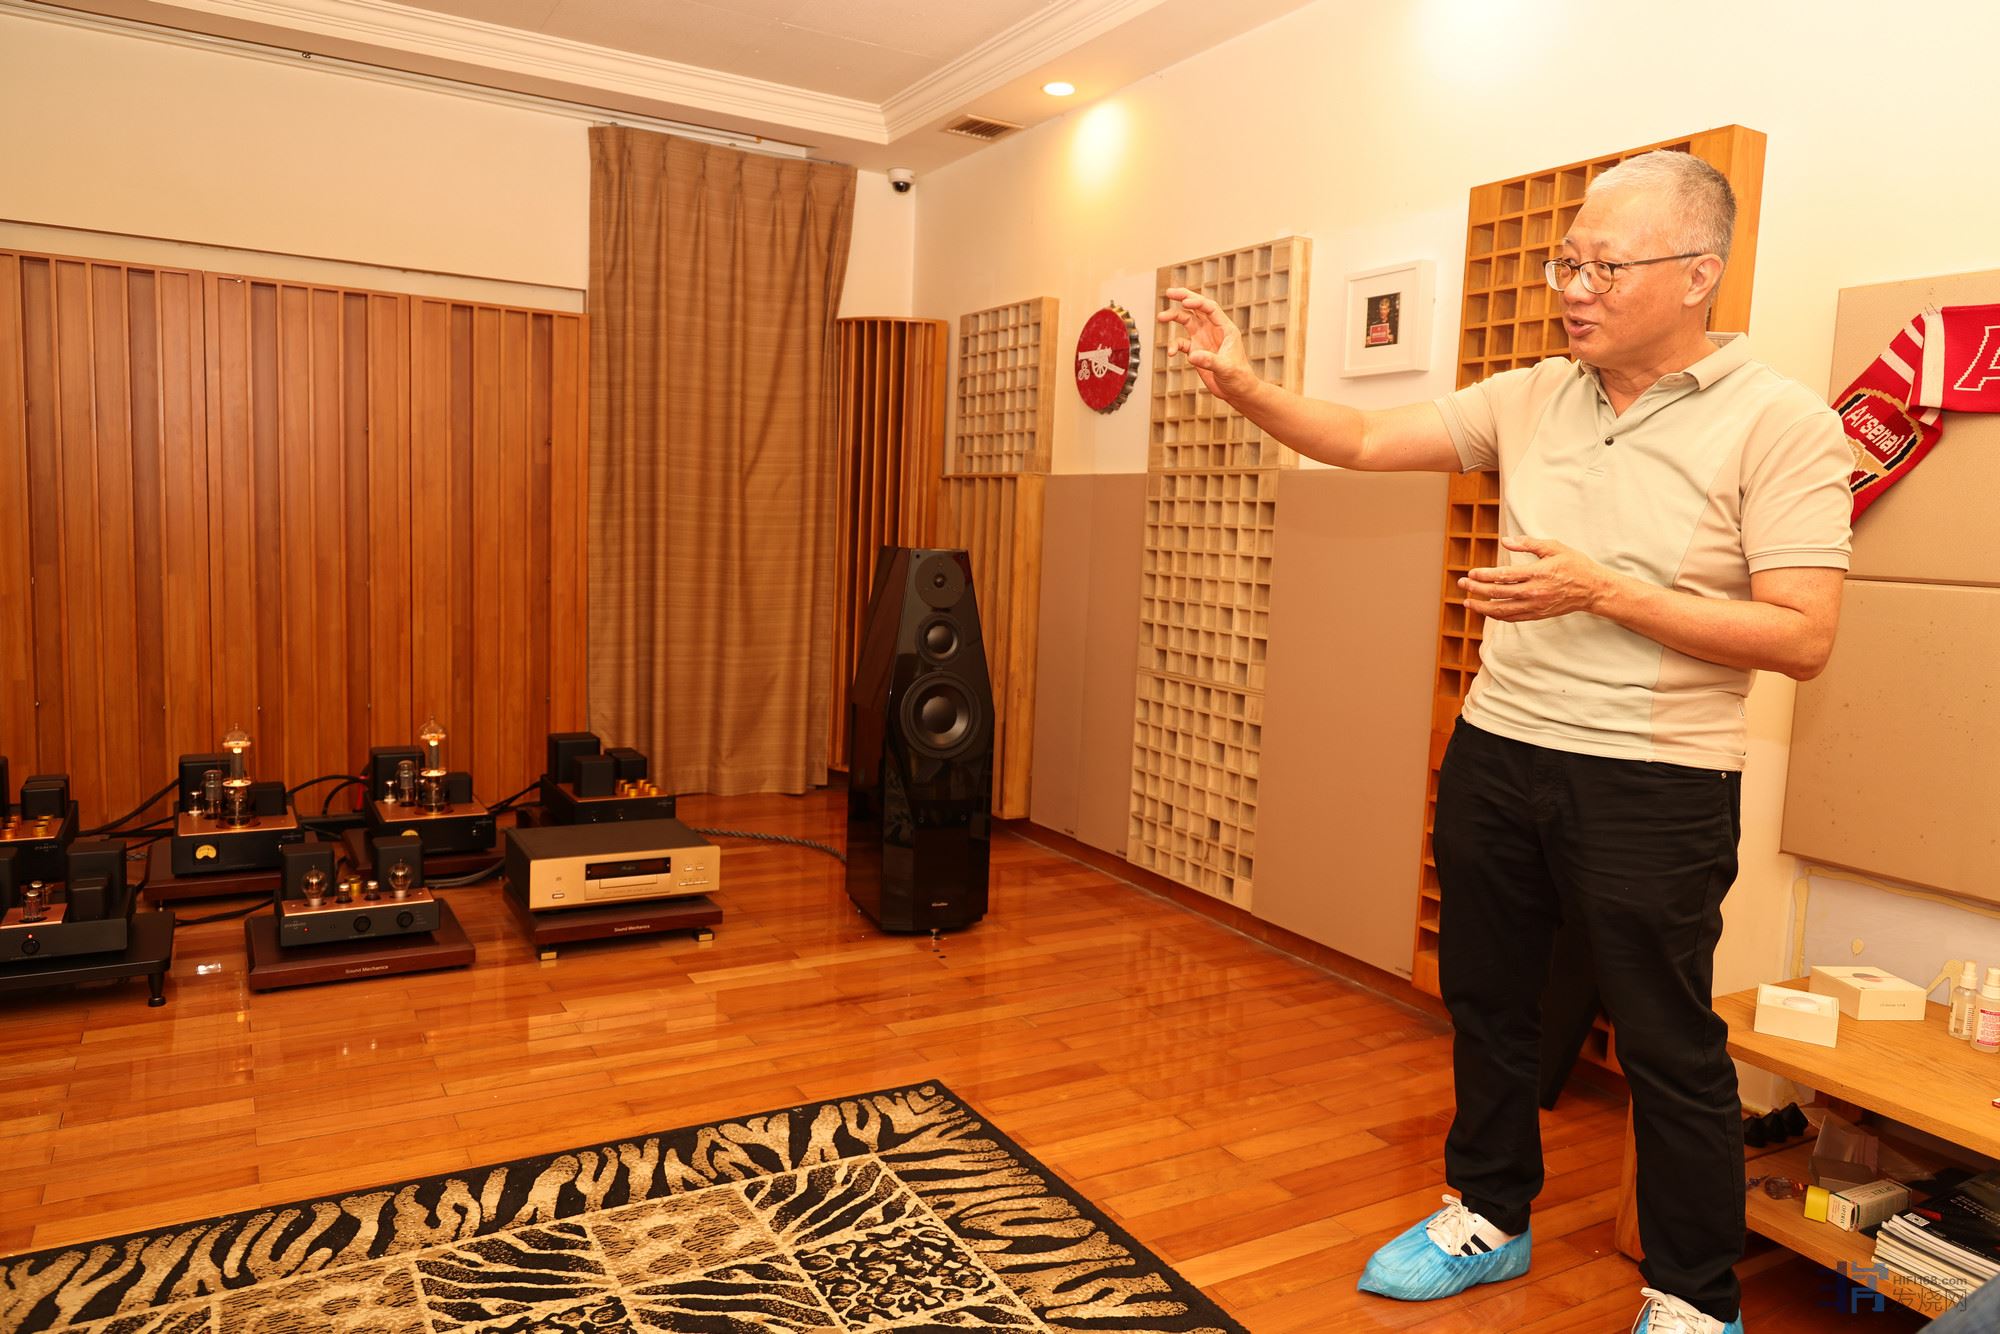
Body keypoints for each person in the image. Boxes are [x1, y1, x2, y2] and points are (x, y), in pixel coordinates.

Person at [1158, 151, 1853, 1334]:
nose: (1571, 288)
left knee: (1666, 1043)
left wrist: (1601, 589)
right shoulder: (1532, 393)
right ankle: (1487, 1211)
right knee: (1486, 1004)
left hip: (1656, 778)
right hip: (1499, 750)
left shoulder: (1780, 421)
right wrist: (1241, 382)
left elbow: (1801, 634)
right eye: (1563, 262)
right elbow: (1360, 436)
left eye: (1602, 267)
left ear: (1697, 274)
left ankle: (1692, 1295)